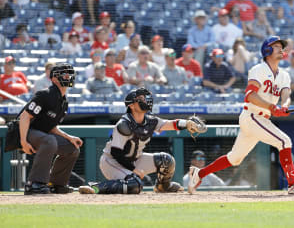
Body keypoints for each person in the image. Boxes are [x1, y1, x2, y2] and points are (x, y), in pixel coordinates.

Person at [188, 36, 294, 195]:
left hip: (261, 119)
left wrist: (285, 106)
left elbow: (286, 95)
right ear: (267, 50)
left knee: (234, 158)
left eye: (282, 47)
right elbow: (250, 95)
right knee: (284, 141)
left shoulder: (284, 75)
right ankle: (293, 184)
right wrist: (272, 107)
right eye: (276, 46)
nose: (281, 49)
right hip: (252, 116)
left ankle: (199, 174)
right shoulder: (258, 69)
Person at [78, 87, 207, 194]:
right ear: (132, 105)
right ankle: (96, 187)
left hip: (135, 159)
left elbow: (170, 124)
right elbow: (117, 153)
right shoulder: (124, 124)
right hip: (112, 162)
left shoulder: (150, 120)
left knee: (166, 161)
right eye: (140, 99)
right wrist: (133, 170)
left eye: (145, 98)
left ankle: (163, 187)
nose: (145, 100)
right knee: (135, 185)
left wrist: (187, 123)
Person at [19, 63, 83, 195]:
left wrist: (69, 138)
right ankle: (34, 184)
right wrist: (23, 142)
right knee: (49, 141)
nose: (68, 76)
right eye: (64, 74)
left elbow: (51, 127)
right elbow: (25, 117)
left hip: (44, 135)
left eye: (70, 74)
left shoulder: (64, 101)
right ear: (54, 78)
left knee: (73, 148)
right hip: (28, 132)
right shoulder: (45, 94)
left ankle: (56, 185)